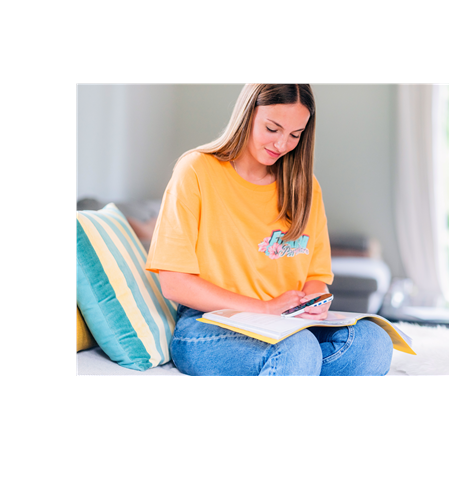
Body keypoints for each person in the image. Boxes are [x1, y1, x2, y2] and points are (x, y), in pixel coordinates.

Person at [144, 84, 393, 376]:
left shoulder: (306, 188)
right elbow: (174, 283)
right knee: (298, 349)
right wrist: (265, 309)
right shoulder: (196, 170)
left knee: (374, 344)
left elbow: (316, 279)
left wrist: (314, 303)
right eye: (272, 129)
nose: (282, 144)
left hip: (286, 325)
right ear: (248, 114)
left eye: (295, 135)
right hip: (209, 323)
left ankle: (296, 368)